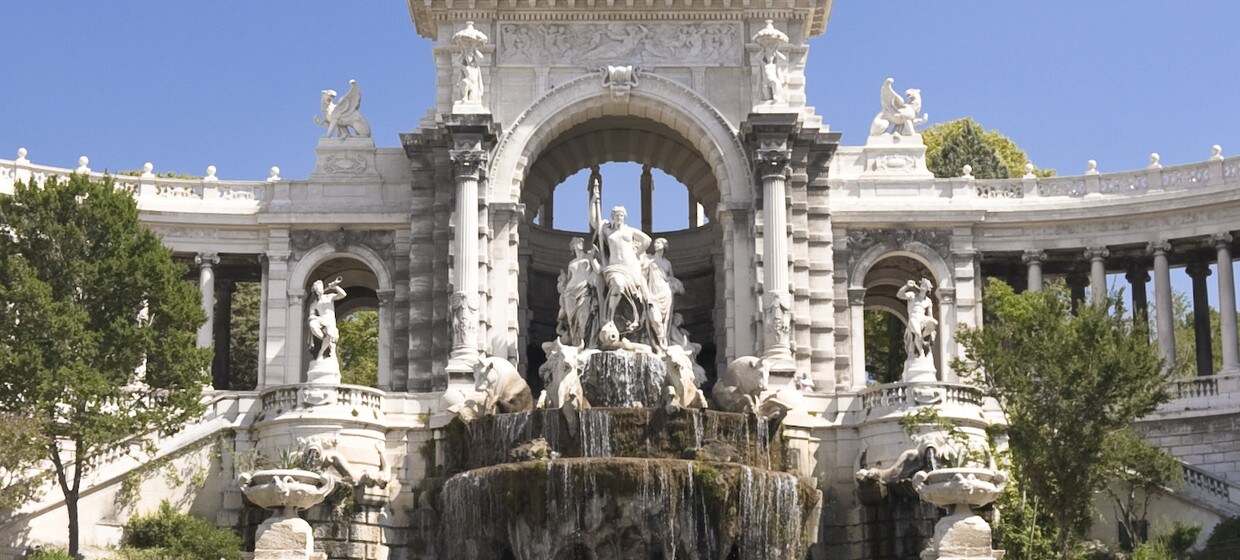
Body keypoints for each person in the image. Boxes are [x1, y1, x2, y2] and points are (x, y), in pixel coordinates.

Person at [897, 278, 938, 358]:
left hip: (922, 318)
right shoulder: (913, 295)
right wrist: (907, 286)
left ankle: (922, 339)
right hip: (914, 318)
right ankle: (921, 351)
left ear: (928, 289)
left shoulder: (928, 301)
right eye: (922, 284)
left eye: (924, 285)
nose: (922, 285)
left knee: (934, 322)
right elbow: (899, 295)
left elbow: (930, 316)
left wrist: (932, 330)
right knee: (918, 333)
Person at [308, 277, 347, 360]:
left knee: (330, 333)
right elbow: (311, 316)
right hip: (321, 320)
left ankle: (323, 351)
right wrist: (315, 318)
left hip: (329, 321)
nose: (317, 293)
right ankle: (324, 339)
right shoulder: (313, 304)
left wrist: (335, 287)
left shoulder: (329, 297)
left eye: (318, 290)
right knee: (312, 324)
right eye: (315, 291)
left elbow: (343, 295)